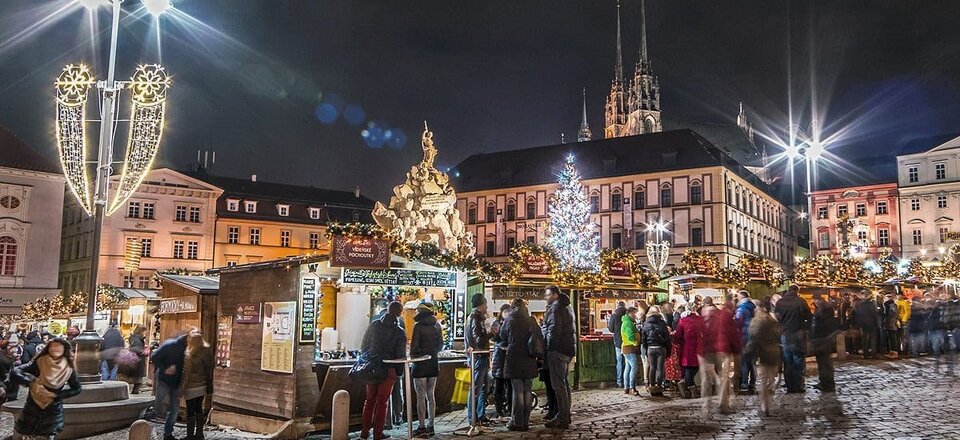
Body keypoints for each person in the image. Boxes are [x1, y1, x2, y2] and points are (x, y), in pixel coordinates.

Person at [10, 337, 82, 439]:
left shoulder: (68, 369)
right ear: (48, 348)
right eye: (53, 346)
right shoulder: (39, 362)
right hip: (32, 407)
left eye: (58, 347)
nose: (55, 349)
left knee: (48, 436)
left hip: (53, 410)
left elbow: (77, 389)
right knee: (27, 435)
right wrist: (30, 381)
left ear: (64, 349)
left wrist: (56, 395)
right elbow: (15, 371)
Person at [359, 301, 406, 440]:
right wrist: (399, 373)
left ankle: (364, 434)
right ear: (399, 313)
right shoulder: (399, 331)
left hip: (372, 368)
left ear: (387, 310)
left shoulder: (374, 325)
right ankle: (378, 435)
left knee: (369, 401)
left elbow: (364, 346)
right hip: (389, 370)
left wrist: (369, 359)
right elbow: (401, 355)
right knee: (382, 403)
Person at [501, 299, 543, 432]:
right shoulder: (531, 320)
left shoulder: (509, 320)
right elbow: (539, 336)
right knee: (527, 391)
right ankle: (525, 421)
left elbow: (502, 336)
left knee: (517, 392)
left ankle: (517, 422)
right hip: (529, 358)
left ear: (513, 308)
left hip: (514, 359)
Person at [542, 286, 576, 429]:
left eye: (548, 295)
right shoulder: (567, 307)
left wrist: (550, 348)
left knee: (558, 385)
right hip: (567, 349)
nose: (546, 297)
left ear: (555, 295)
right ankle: (565, 414)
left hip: (558, 350)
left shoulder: (556, 308)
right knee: (563, 383)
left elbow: (553, 329)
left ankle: (562, 417)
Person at [700, 303, 740, 414]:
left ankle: (706, 404)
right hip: (723, 350)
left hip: (708, 352)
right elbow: (732, 334)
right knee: (724, 377)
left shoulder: (702, 320)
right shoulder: (724, 317)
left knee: (707, 378)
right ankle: (722, 403)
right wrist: (736, 349)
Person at [411, 303, 443, 438]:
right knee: (431, 395)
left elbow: (414, 348)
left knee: (420, 397)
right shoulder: (437, 326)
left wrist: (417, 354)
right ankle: (432, 426)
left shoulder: (418, 327)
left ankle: (422, 426)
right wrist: (432, 353)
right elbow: (440, 345)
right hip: (433, 363)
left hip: (420, 364)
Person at [745, 297, 781, 416]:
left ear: (759, 309)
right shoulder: (773, 320)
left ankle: (765, 405)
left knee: (762, 379)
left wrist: (748, 350)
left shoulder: (757, 321)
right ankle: (768, 396)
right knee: (771, 378)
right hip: (773, 352)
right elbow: (778, 335)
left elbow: (753, 337)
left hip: (760, 353)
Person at [774, 285, 812, 394]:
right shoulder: (800, 301)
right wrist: (805, 329)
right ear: (796, 291)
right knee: (798, 361)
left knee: (787, 361)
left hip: (785, 335)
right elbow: (809, 317)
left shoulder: (780, 302)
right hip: (797, 334)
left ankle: (789, 387)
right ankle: (797, 386)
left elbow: (777, 317)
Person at [152, 332, 189, 440]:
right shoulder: (170, 345)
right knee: (159, 404)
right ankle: (152, 424)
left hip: (175, 382)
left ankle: (168, 433)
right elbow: (155, 357)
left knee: (174, 409)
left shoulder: (186, 350)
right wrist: (165, 368)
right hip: (164, 379)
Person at [464, 293, 492, 425]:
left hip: (479, 356)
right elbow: (479, 339)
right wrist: (492, 333)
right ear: (481, 305)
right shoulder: (476, 318)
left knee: (482, 388)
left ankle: (480, 415)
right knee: (476, 388)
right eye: (486, 304)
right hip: (479, 356)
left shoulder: (473, 317)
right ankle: (473, 417)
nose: (487, 307)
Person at [181, 331, 214, 440]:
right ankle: (199, 434)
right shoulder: (206, 354)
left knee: (190, 411)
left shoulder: (189, 355)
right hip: (202, 386)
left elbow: (186, 374)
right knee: (199, 408)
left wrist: (181, 389)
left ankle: (189, 436)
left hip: (191, 387)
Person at [811, 294, 839, 393]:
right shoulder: (825, 307)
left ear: (817, 299)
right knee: (823, 362)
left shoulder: (823, 309)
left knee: (824, 362)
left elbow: (822, 324)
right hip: (824, 338)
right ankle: (825, 382)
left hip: (823, 339)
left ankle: (827, 383)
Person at [673, 307, 704, 398]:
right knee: (695, 367)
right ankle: (690, 388)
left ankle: (687, 386)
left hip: (687, 348)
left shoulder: (683, 321)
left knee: (688, 368)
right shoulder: (701, 320)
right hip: (699, 347)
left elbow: (678, 335)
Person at [641, 306, 671, 396]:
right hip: (661, 348)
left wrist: (646, 349)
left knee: (652, 368)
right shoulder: (662, 323)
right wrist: (668, 349)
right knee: (660, 368)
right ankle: (659, 387)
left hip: (651, 348)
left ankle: (652, 387)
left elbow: (643, 339)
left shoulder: (646, 324)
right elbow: (667, 338)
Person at [490, 304, 512, 420]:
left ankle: (509, 409)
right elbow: (493, 338)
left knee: (510, 386)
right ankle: (499, 410)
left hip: (509, 358)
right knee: (499, 386)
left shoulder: (512, 323)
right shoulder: (496, 324)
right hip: (499, 358)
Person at [733, 290, 756, 393]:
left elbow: (738, 322)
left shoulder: (742, 309)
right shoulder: (753, 307)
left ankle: (744, 384)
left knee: (744, 362)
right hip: (754, 337)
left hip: (744, 337)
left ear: (741, 297)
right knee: (752, 362)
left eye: (737, 297)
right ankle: (753, 383)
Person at [620, 307, 641, 396]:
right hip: (630, 347)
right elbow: (630, 335)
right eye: (635, 313)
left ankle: (626, 387)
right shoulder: (628, 323)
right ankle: (632, 388)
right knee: (634, 367)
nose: (636, 315)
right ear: (630, 313)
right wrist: (636, 343)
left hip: (626, 347)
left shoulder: (627, 322)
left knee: (628, 368)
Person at [853, 290, 880, 359]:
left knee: (865, 340)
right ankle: (873, 354)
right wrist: (876, 323)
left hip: (864, 324)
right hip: (872, 324)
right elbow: (875, 314)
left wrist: (859, 324)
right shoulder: (873, 303)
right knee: (872, 340)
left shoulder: (860, 304)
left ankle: (866, 354)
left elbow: (858, 315)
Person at [607, 301, 627, 389]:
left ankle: (619, 382)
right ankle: (628, 381)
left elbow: (611, 329)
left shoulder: (614, 316)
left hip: (618, 342)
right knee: (628, 363)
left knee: (619, 362)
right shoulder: (628, 315)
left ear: (617, 306)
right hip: (627, 342)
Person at [927, 294, 947, 371]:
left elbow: (943, 318)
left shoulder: (941, 309)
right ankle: (937, 362)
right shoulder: (930, 311)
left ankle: (945, 359)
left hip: (939, 329)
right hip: (933, 329)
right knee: (935, 346)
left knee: (942, 344)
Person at [127, 325, 148, 394]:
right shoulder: (137, 339)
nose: (145, 333)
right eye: (144, 332)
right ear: (141, 331)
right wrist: (144, 352)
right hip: (138, 361)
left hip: (135, 360)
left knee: (137, 378)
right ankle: (135, 391)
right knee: (138, 378)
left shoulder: (135, 338)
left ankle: (135, 391)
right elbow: (136, 349)